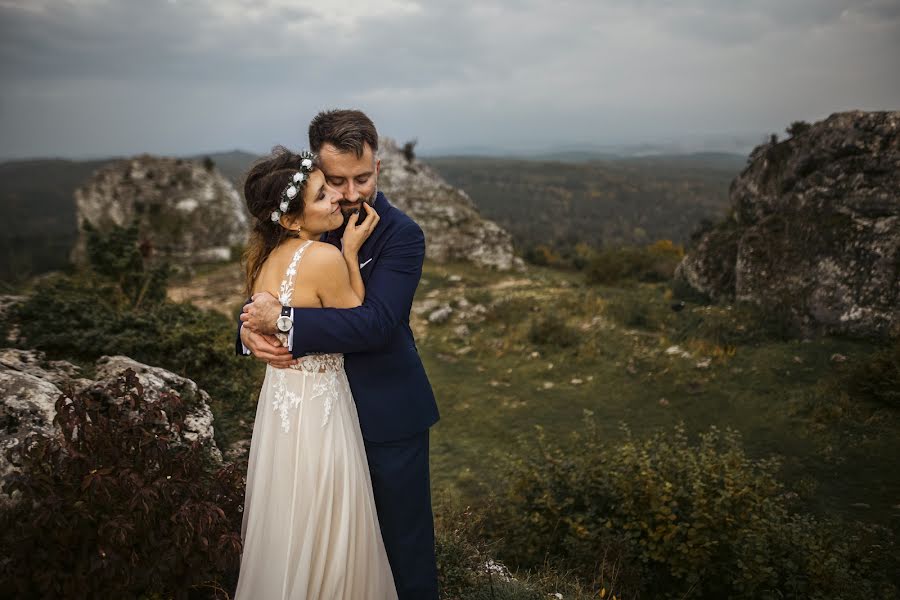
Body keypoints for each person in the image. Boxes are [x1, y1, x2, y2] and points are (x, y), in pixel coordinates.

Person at [239, 109, 441, 599]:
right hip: (317, 424)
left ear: (379, 169)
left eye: (362, 179)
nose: (350, 195)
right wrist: (246, 329)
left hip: (386, 415)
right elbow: (269, 293)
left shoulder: (402, 235)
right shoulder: (308, 220)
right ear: (315, 173)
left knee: (402, 546)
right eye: (335, 181)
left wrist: (282, 322)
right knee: (321, 544)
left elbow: (374, 324)